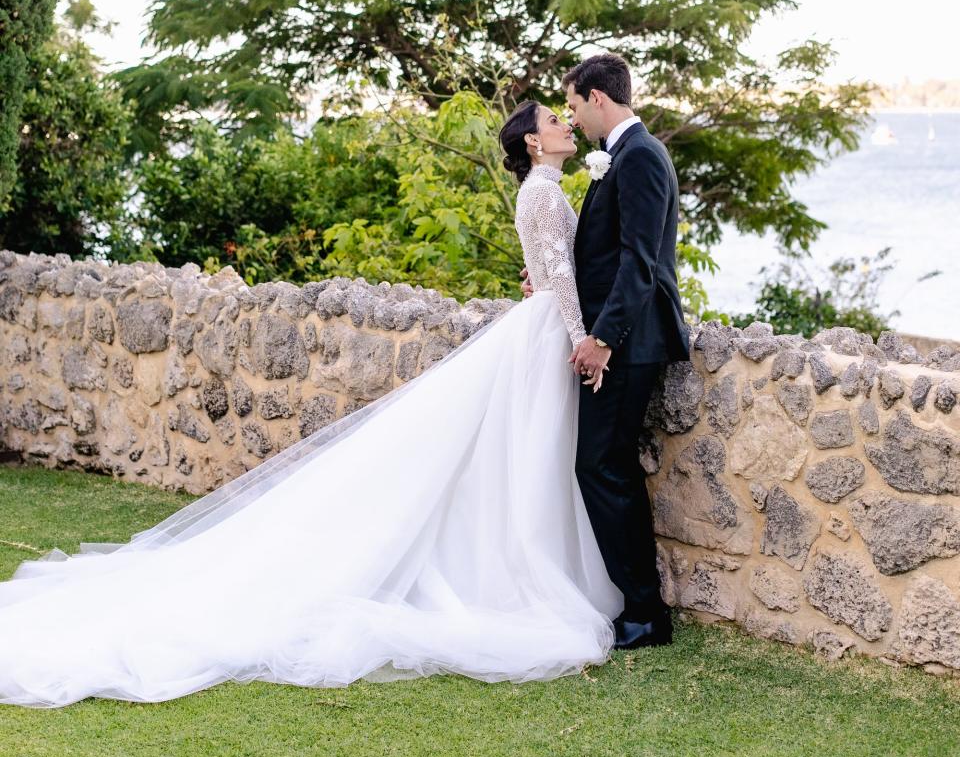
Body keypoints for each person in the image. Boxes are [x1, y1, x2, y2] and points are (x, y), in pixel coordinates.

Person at [0, 100, 625, 708]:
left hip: (538, 322)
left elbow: (552, 269)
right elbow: (561, 279)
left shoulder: (545, 189)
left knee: (523, 454)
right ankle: (520, 573)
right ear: (534, 144)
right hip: (549, 331)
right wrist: (579, 339)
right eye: (552, 121)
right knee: (528, 453)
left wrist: (549, 297)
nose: (564, 124)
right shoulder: (542, 191)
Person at [563, 53, 690, 650]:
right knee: (605, 463)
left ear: (596, 98)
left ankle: (644, 610)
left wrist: (603, 339)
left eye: (573, 106)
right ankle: (638, 606)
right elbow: (603, 254)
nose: (573, 119)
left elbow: (641, 261)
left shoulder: (639, 156)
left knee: (601, 463)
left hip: (630, 343)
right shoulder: (626, 154)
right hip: (620, 339)